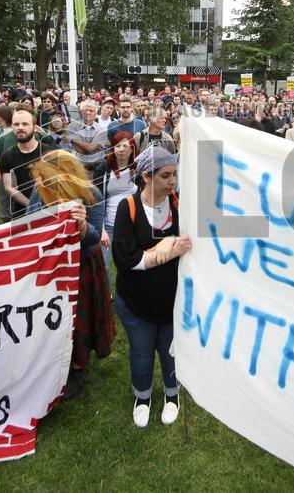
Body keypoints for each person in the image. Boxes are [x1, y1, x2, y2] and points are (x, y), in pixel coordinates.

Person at [112, 146, 190, 427]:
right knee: (141, 354)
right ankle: (142, 397)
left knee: (171, 354)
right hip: (136, 302)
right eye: (165, 176)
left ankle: (172, 395)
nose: (172, 181)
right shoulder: (128, 207)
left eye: (174, 175)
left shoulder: (180, 205)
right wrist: (168, 250)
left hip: (171, 301)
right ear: (146, 176)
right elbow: (125, 259)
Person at [26, 150, 114, 399]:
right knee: (53, 314)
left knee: (80, 316)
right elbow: (28, 223)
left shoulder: (91, 193)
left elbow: (94, 238)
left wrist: (83, 226)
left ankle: (77, 366)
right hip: (52, 264)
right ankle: (55, 361)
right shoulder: (39, 190)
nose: (45, 183)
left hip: (82, 265)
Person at [93, 131, 138, 271]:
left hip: (132, 226)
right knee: (103, 266)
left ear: (132, 149)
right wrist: (101, 230)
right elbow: (95, 201)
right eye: (118, 146)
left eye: (125, 146)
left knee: (130, 265)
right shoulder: (103, 169)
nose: (121, 149)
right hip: (108, 226)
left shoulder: (138, 169)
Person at [0, 107, 56, 218]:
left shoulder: (48, 152)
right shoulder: (7, 156)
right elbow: (8, 187)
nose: (20, 127)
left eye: (25, 124)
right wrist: (31, 206)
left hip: (50, 209)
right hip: (22, 212)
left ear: (34, 127)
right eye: (16, 124)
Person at [67, 99, 108, 167]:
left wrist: (73, 140)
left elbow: (90, 149)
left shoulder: (102, 129)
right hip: (78, 166)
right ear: (81, 112)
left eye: (91, 111)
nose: (88, 112)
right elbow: (80, 151)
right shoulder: (72, 126)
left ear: (96, 113)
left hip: (97, 167)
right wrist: (88, 146)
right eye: (85, 110)